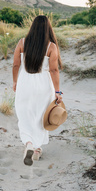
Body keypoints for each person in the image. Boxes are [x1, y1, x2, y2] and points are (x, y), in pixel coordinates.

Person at [12, 15, 63, 166]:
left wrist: (15, 81)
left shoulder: (22, 42)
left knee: (25, 114)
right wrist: (58, 91)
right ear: (48, 28)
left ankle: (28, 143)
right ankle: (37, 149)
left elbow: (15, 65)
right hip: (43, 84)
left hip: (25, 82)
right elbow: (54, 70)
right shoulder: (51, 46)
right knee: (41, 115)